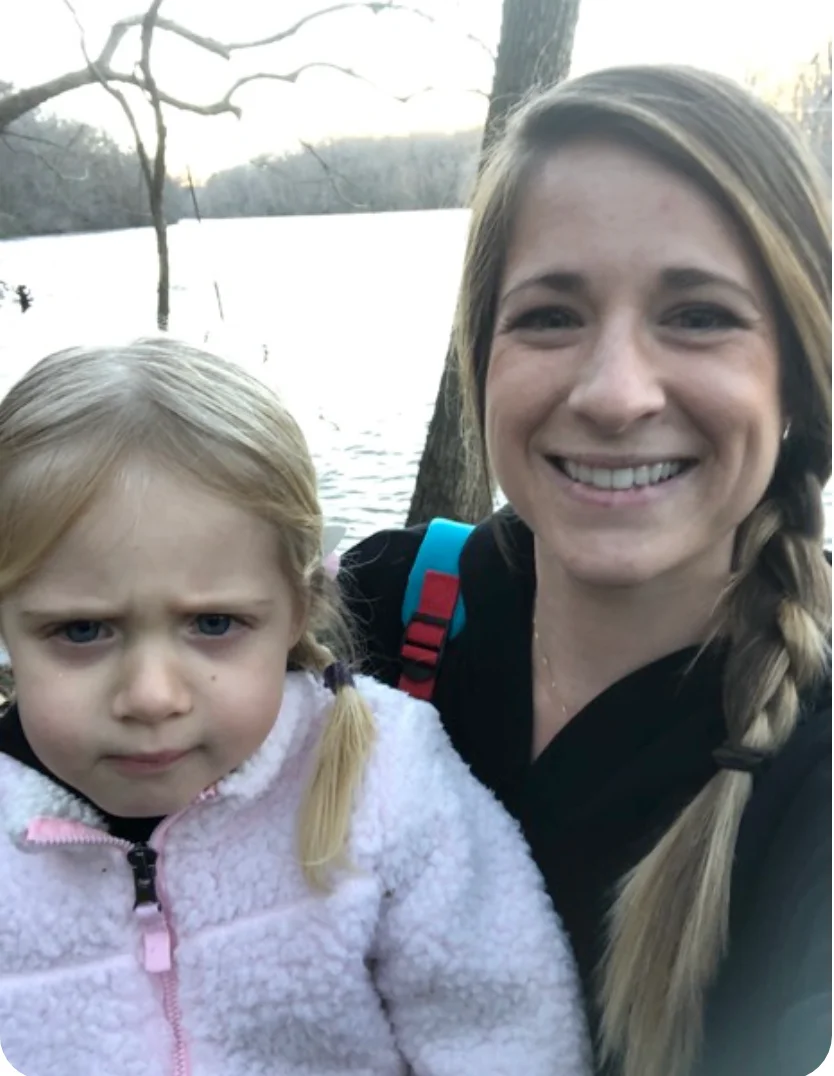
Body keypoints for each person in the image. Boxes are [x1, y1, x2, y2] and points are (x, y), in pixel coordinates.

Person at [339, 64, 831, 1076]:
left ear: (797, 372)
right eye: (551, 315)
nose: (614, 394)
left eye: (698, 314)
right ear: (483, 361)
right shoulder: (376, 613)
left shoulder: (813, 775)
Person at [0, 338, 591, 1076]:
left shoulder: (384, 780)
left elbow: (504, 1027)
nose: (151, 695)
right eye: (81, 631)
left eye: (214, 624)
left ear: (299, 610)